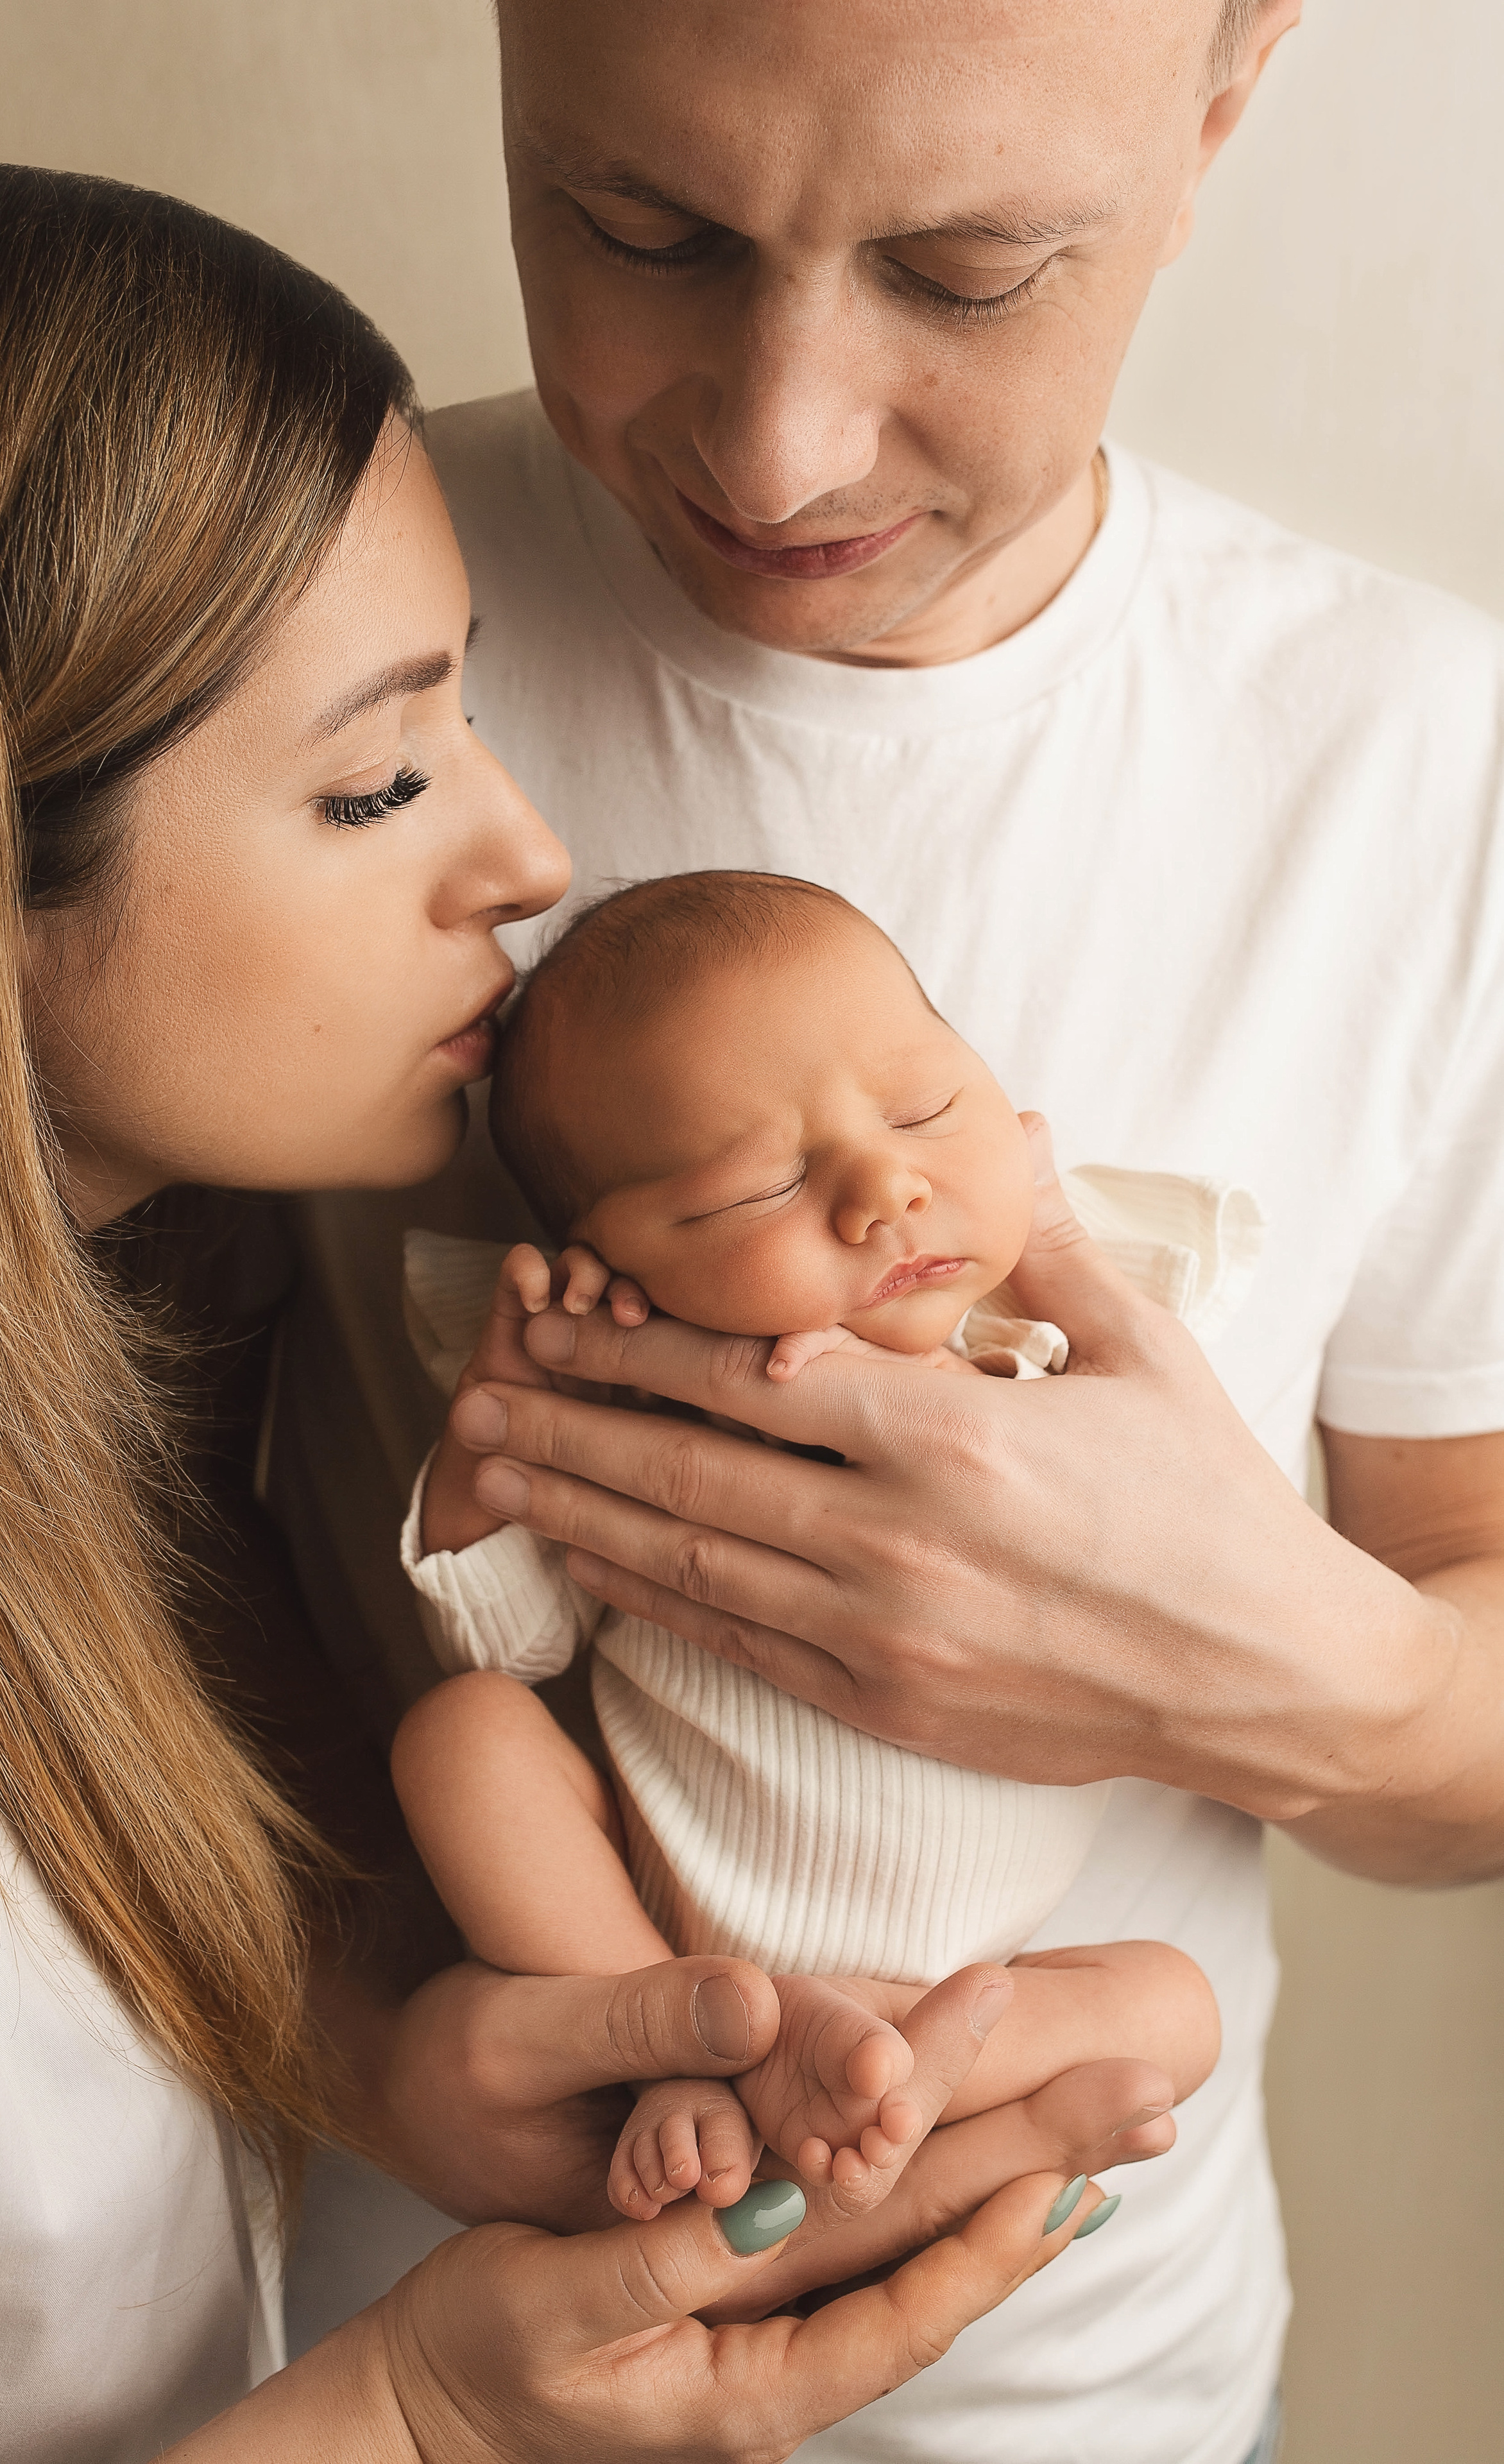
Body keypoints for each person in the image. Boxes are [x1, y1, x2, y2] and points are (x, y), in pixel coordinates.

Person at [269, 3, 1504, 2461]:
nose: (778, 441)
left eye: (970, 270)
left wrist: (1273, 1669)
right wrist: (352, 2031)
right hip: (382, 2347)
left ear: (1224, 102)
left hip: (1090, 2387)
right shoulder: (319, 622)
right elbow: (16, 1548)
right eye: (639, 230)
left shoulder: (1416, 776)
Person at [0, 158, 1127, 2462]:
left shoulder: (58, 1429)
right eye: (373, 780)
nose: (532, 856)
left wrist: (375, 2045)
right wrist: (415, 2423)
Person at [393, 871, 1223, 2223]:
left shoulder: (1057, 1368)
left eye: (922, 1111)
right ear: (612, 1266)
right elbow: (508, 1640)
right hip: (670, 1958)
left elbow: (1204, 1586)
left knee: (1173, 2007)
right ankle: (675, 2049)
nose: (882, 1187)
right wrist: (503, 1435)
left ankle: (890, 2067)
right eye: (756, 1186)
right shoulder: (625, 1417)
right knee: (464, 1734)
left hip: (977, 1982)